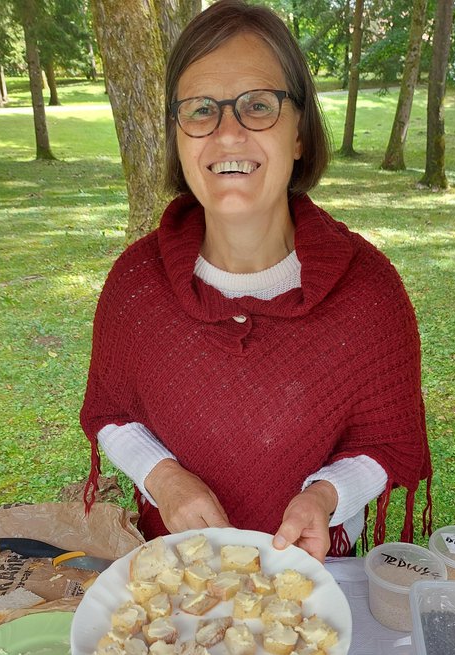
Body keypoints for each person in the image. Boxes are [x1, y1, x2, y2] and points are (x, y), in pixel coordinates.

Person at [80, 0, 432, 564]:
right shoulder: (136, 286)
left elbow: (387, 440)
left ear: (299, 132)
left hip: (316, 579)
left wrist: (327, 495)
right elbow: (112, 413)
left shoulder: (368, 293)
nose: (227, 134)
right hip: (174, 574)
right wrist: (165, 479)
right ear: (177, 134)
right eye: (200, 110)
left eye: (259, 106)